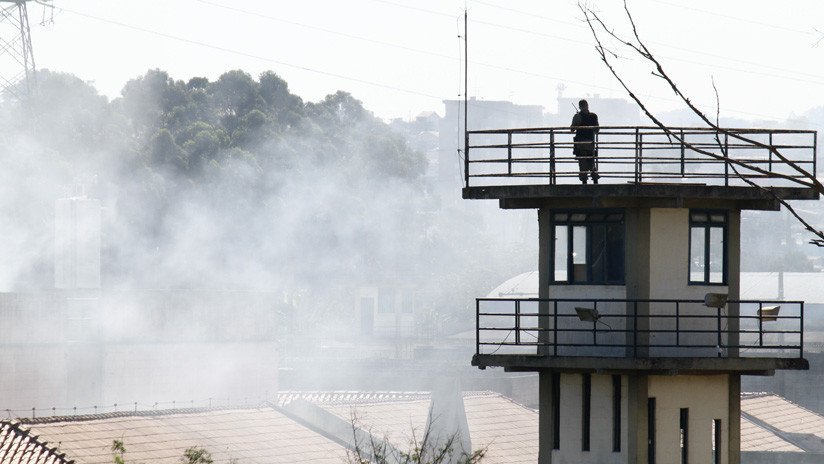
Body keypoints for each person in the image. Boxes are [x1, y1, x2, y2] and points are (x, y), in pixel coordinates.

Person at [570, 99, 600, 184]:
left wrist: (578, 122)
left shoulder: (579, 116)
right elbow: (597, 130)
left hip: (583, 144)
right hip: (588, 144)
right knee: (589, 164)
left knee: (585, 165)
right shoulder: (593, 116)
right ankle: (594, 182)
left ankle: (587, 183)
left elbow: (572, 129)